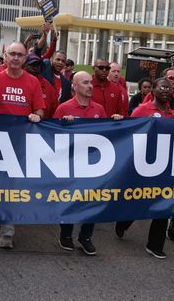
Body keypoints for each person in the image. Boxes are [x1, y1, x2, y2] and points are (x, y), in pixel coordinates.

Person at [54, 71, 122, 255]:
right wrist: (63, 124)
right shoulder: (64, 108)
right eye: (85, 83)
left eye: (90, 83)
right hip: (71, 163)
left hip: (94, 164)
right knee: (70, 199)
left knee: (93, 200)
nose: (90, 86)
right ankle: (66, 235)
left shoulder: (99, 109)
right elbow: (51, 137)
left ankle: (85, 237)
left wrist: (116, 122)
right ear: (74, 86)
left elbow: (106, 135)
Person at [0, 42, 45, 249]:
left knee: (13, 186)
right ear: (5, 55)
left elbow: (40, 110)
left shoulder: (33, 82)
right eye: (12, 54)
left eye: (20, 55)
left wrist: (36, 115)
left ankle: (7, 231)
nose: (16, 58)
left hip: (21, 143)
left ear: (25, 59)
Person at [116, 77, 174, 259]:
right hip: (142, 164)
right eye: (162, 87)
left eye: (168, 88)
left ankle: (155, 244)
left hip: (164, 166)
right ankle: (123, 222)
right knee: (138, 200)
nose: (165, 90)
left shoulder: (172, 114)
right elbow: (129, 133)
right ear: (154, 90)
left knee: (163, 203)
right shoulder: (142, 109)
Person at [24, 54, 58, 118]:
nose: (35, 67)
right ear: (24, 65)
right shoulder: (17, 81)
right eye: (32, 64)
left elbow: (54, 109)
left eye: (37, 65)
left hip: (41, 125)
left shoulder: (48, 86)